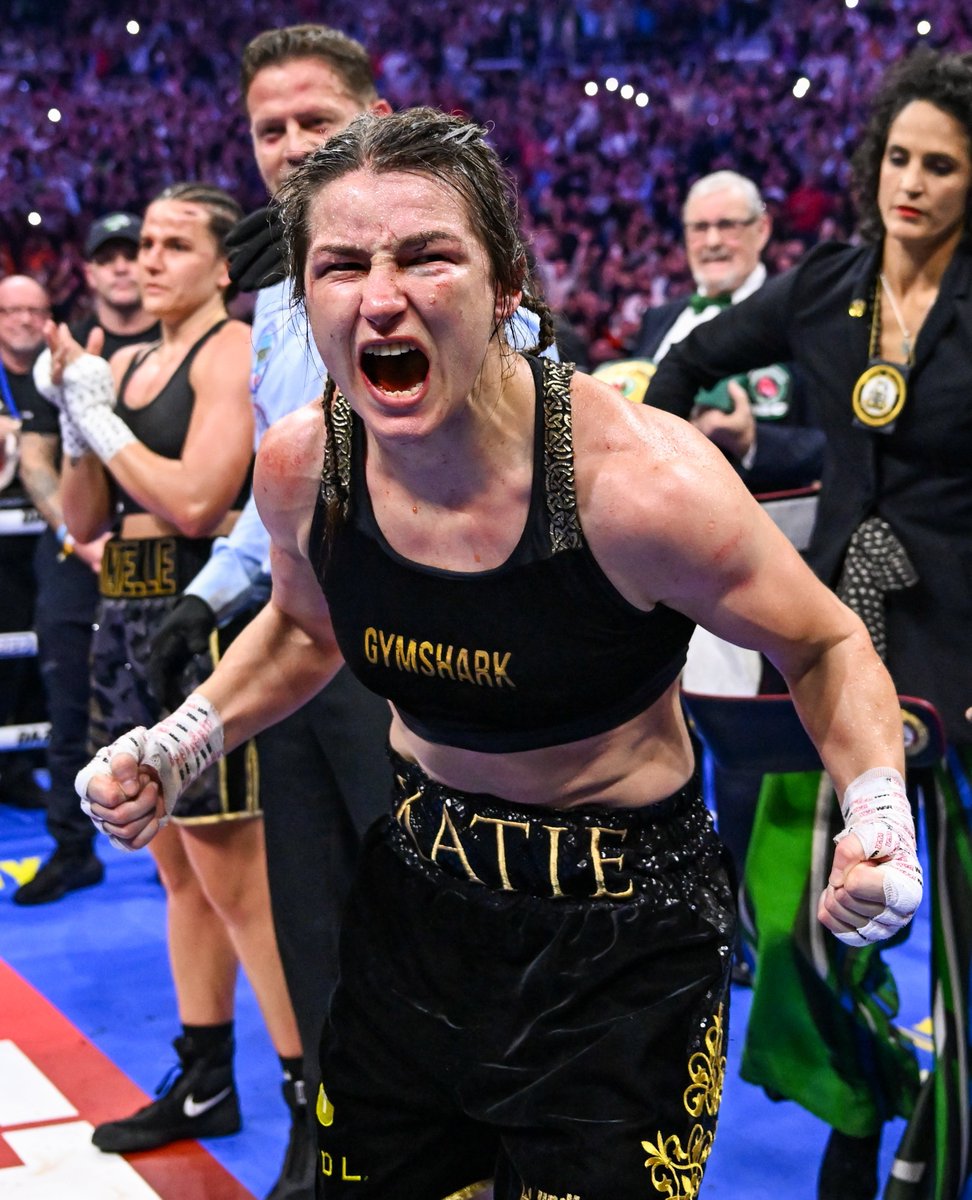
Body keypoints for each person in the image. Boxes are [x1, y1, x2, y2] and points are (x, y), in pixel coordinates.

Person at [76, 108, 920, 1200]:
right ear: (304, 296)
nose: (380, 296)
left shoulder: (639, 487)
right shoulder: (302, 468)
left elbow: (823, 640)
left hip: (624, 935)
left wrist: (878, 812)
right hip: (419, 899)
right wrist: (183, 739)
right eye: (340, 265)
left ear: (506, 284)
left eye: (426, 255)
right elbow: (301, 629)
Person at [648, 47, 972, 1200]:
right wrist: (675, 514)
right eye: (899, 157)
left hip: (964, 651)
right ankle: (853, 1120)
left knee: (965, 942)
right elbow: (682, 368)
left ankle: (941, 1135)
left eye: (942, 164)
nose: (914, 183)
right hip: (830, 646)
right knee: (799, 930)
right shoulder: (830, 285)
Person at [43, 182, 304, 1196]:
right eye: (143, 243)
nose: (148, 261)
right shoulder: (124, 358)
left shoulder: (231, 350)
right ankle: (203, 1076)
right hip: (125, 606)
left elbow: (199, 499)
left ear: (219, 263)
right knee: (175, 870)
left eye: (173, 244)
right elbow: (83, 512)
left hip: (201, 618)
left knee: (239, 882)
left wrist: (104, 424)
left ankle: (301, 1097)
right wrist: (79, 424)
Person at [14, 212, 160, 906]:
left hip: (164, 551)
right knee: (70, 711)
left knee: (170, 705)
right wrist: (83, 538)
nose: (125, 266)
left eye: (136, 253)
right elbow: (38, 461)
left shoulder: (179, 345)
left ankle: (180, 847)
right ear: (92, 271)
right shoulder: (64, 349)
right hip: (76, 557)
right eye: (110, 257)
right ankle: (73, 849)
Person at [0, 275, 52, 811]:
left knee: (38, 658)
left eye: (33, 311)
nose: (22, 320)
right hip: (2, 552)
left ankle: (19, 764)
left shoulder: (56, 372)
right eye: (11, 309)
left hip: (45, 546)